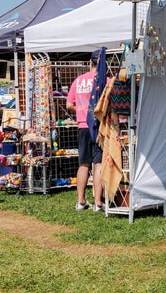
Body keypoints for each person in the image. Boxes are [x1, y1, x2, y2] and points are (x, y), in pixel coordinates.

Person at [67, 50, 105, 212]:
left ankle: (81, 201)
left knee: (83, 164)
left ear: (90, 61)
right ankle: (98, 202)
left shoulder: (78, 81)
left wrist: (81, 110)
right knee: (98, 164)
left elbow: (69, 105)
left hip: (82, 126)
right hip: (99, 126)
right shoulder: (105, 81)